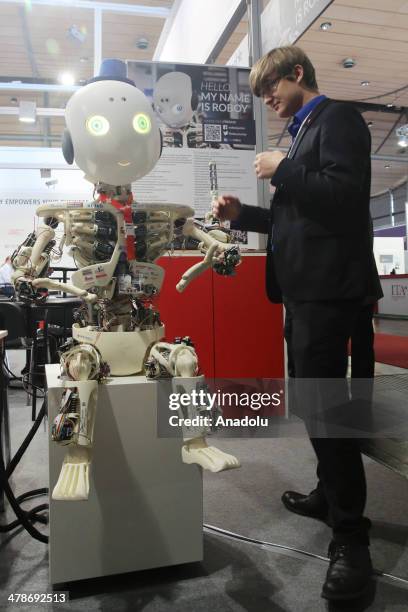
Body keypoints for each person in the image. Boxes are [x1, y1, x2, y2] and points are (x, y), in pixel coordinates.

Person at [212, 46, 382, 601]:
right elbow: (298, 217)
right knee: (313, 402)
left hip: (332, 295)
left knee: (329, 410)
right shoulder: (306, 130)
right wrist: (246, 216)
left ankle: (352, 542)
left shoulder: (338, 119)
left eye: (271, 90)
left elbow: (346, 196)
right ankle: (328, 493)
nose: (269, 101)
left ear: (297, 74)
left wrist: (283, 169)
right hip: (306, 295)